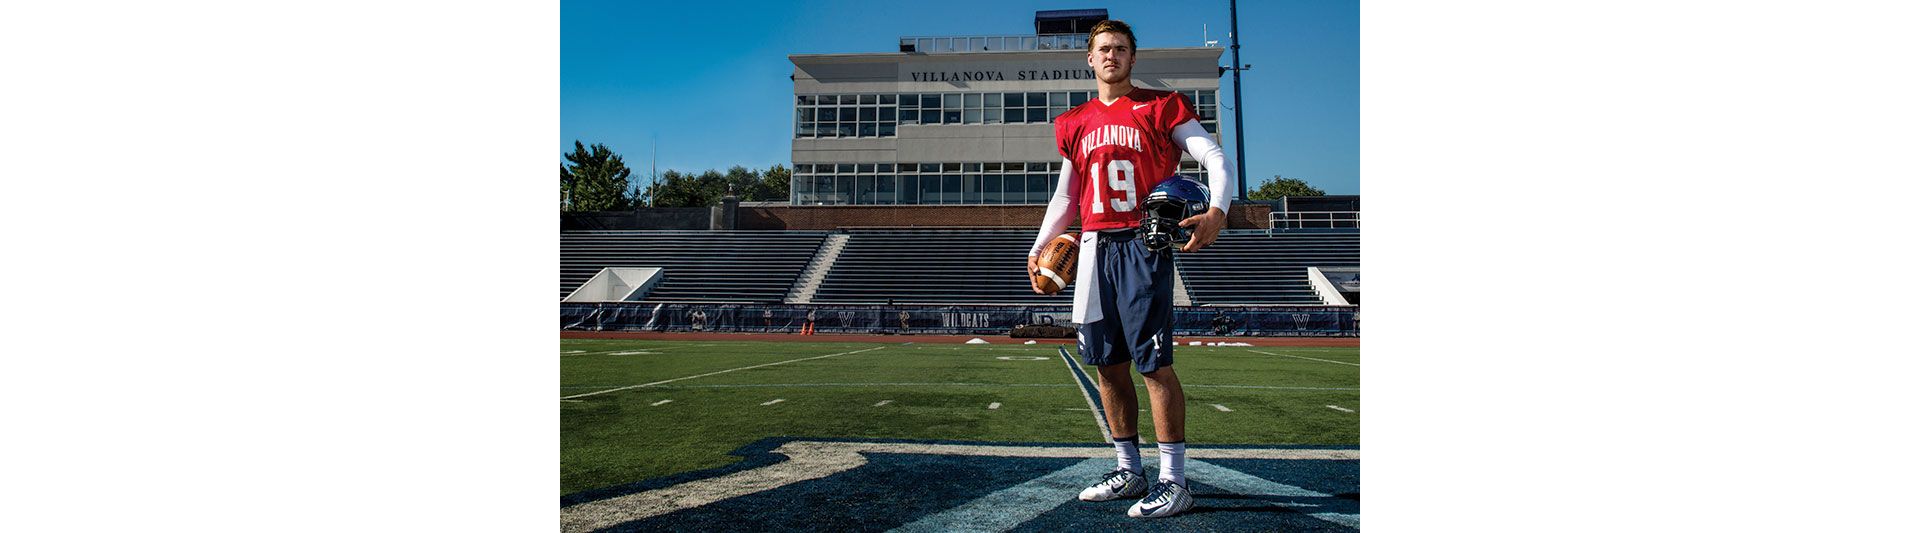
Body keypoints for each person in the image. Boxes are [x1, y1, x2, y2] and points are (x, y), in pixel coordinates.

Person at [1025, 19, 1234, 519]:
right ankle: (1128, 470)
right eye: (1103, 49)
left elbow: (1214, 157)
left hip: (1143, 243)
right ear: (1090, 59)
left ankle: (1174, 481)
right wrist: (1038, 246)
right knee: (1106, 363)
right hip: (1093, 245)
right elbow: (1066, 196)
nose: (1111, 55)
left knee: (1153, 364)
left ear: (1132, 58)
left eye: (1120, 48)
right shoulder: (1075, 121)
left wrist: (1218, 211)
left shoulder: (1161, 106)